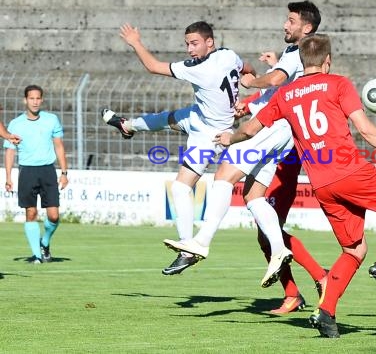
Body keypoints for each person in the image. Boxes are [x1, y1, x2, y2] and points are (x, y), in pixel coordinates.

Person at [215, 34, 376, 338]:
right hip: (351, 170)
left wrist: (229, 138)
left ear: (301, 62)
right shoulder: (338, 84)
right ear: (328, 60)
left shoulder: (285, 95)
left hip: (322, 184)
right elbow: (364, 129)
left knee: (354, 249)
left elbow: (251, 128)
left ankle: (326, 313)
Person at [101, 21, 298, 282]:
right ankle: (127, 126)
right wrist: (247, 82)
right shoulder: (227, 55)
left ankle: (188, 247)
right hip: (200, 116)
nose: (190, 50)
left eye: (194, 44)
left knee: (182, 187)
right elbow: (245, 68)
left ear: (209, 42)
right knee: (167, 118)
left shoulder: (200, 70)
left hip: (209, 135)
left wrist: (135, 41)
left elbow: (152, 66)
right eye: (187, 44)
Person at [166, 1, 328, 303]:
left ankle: (200, 242)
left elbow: (278, 80)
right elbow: (281, 87)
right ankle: (279, 251)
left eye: (290, 20)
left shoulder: (297, 53)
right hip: (280, 132)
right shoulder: (297, 54)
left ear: (305, 27)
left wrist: (254, 81)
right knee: (253, 197)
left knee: (223, 178)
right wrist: (255, 99)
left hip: (270, 128)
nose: (285, 25)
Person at [4, 85, 69, 264]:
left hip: (48, 170)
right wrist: (8, 177)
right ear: (25, 100)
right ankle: (37, 256)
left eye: (38, 98)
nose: (35, 101)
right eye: (31, 98)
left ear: (42, 100)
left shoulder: (51, 120)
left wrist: (64, 172)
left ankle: (45, 242)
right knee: (31, 213)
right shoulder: (16, 124)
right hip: (27, 171)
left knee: (54, 216)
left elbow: (59, 146)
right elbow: (10, 152)